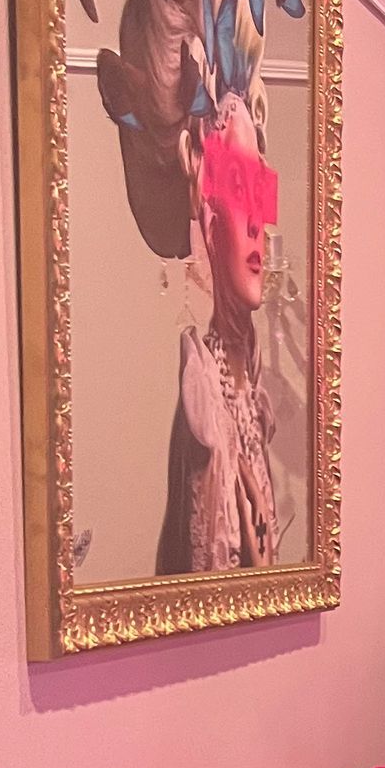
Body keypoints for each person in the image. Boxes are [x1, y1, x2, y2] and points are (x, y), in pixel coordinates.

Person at [154, 96, 280, 573]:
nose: (255, 224)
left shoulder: (249, 380)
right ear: (208, 218)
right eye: (236, 186)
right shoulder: (202, 392)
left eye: (260, 192)